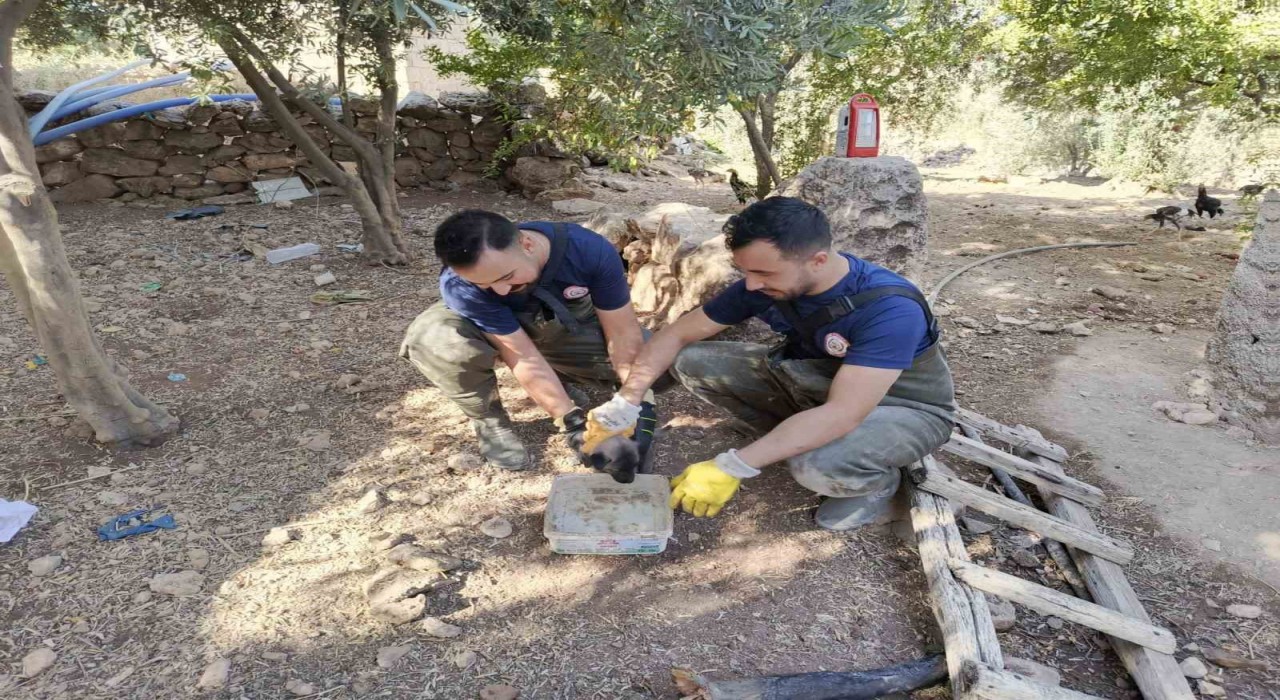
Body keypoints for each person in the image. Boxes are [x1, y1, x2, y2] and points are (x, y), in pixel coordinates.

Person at [584, 197, 955, 531]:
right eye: (746, 271)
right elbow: (676, 335)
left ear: (818, 261)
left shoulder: (889, 309)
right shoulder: (764, 282)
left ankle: (876, 486)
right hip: (818, 383)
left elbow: (844, 413)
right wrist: (626, 402)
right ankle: (790, 437)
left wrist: (732, 466)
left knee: (815, 465)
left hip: (903, 407)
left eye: (764, 274)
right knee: (691, 361)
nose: (751, 285)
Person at [401, 210, 659, 471]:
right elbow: (521, 354)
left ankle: (562, 379)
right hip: (505, 333)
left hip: (561, 322)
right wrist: (573, 426)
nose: (500, 290)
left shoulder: (587, 249)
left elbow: (622, 333)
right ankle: (488, 418)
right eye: (484, 285)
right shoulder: (459, 285)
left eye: (505, 277)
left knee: (653, 361)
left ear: (527, 244)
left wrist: (636, 403)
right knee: (436, 338)